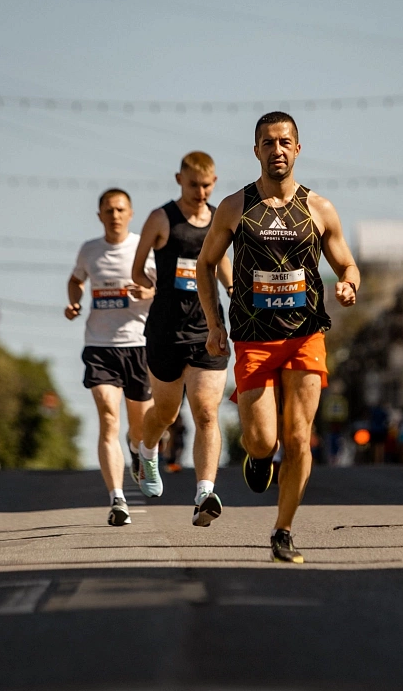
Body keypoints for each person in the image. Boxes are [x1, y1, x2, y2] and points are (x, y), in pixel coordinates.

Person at [196, 111, 359, 564]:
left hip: (306, 334)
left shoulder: (318, 208)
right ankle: (258, 456)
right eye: (268, 143)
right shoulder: (235, 207)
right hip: (254, 338)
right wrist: (214, 326)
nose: (278, 150)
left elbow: (347, 263)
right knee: (263, 440)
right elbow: (205, 263)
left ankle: (283, 530)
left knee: (299, 438)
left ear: (298, 149)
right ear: (256, 151)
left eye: (285, 142)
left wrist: (349, 283)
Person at [131, 151, 235, 527]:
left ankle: (204, 493)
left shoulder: (218, 222)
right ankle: (146, 452)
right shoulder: (162, 219)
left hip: (208, 329)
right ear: (179, 179)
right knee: (167, 412)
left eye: (207, 185)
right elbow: (137, 268)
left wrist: (239, 298)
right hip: (165, 330)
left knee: (207, 411)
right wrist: (145, 286)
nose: (201, 192)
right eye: (194, 185)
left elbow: (225, 273)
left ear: (215, 183)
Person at [66, 188, 156, 527]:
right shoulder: (90, 251)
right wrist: (74, 302)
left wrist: (148, 291)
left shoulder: (141, 248)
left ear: (130, 213)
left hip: (138, 345)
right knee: (108, 417)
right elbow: (75, 280)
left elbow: (160, 289)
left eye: (120, 209)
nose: (114, 215)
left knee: (140, 428)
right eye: (108, 210)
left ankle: (138, 452)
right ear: (100, 215)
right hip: (100, 345)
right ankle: (117, 498)